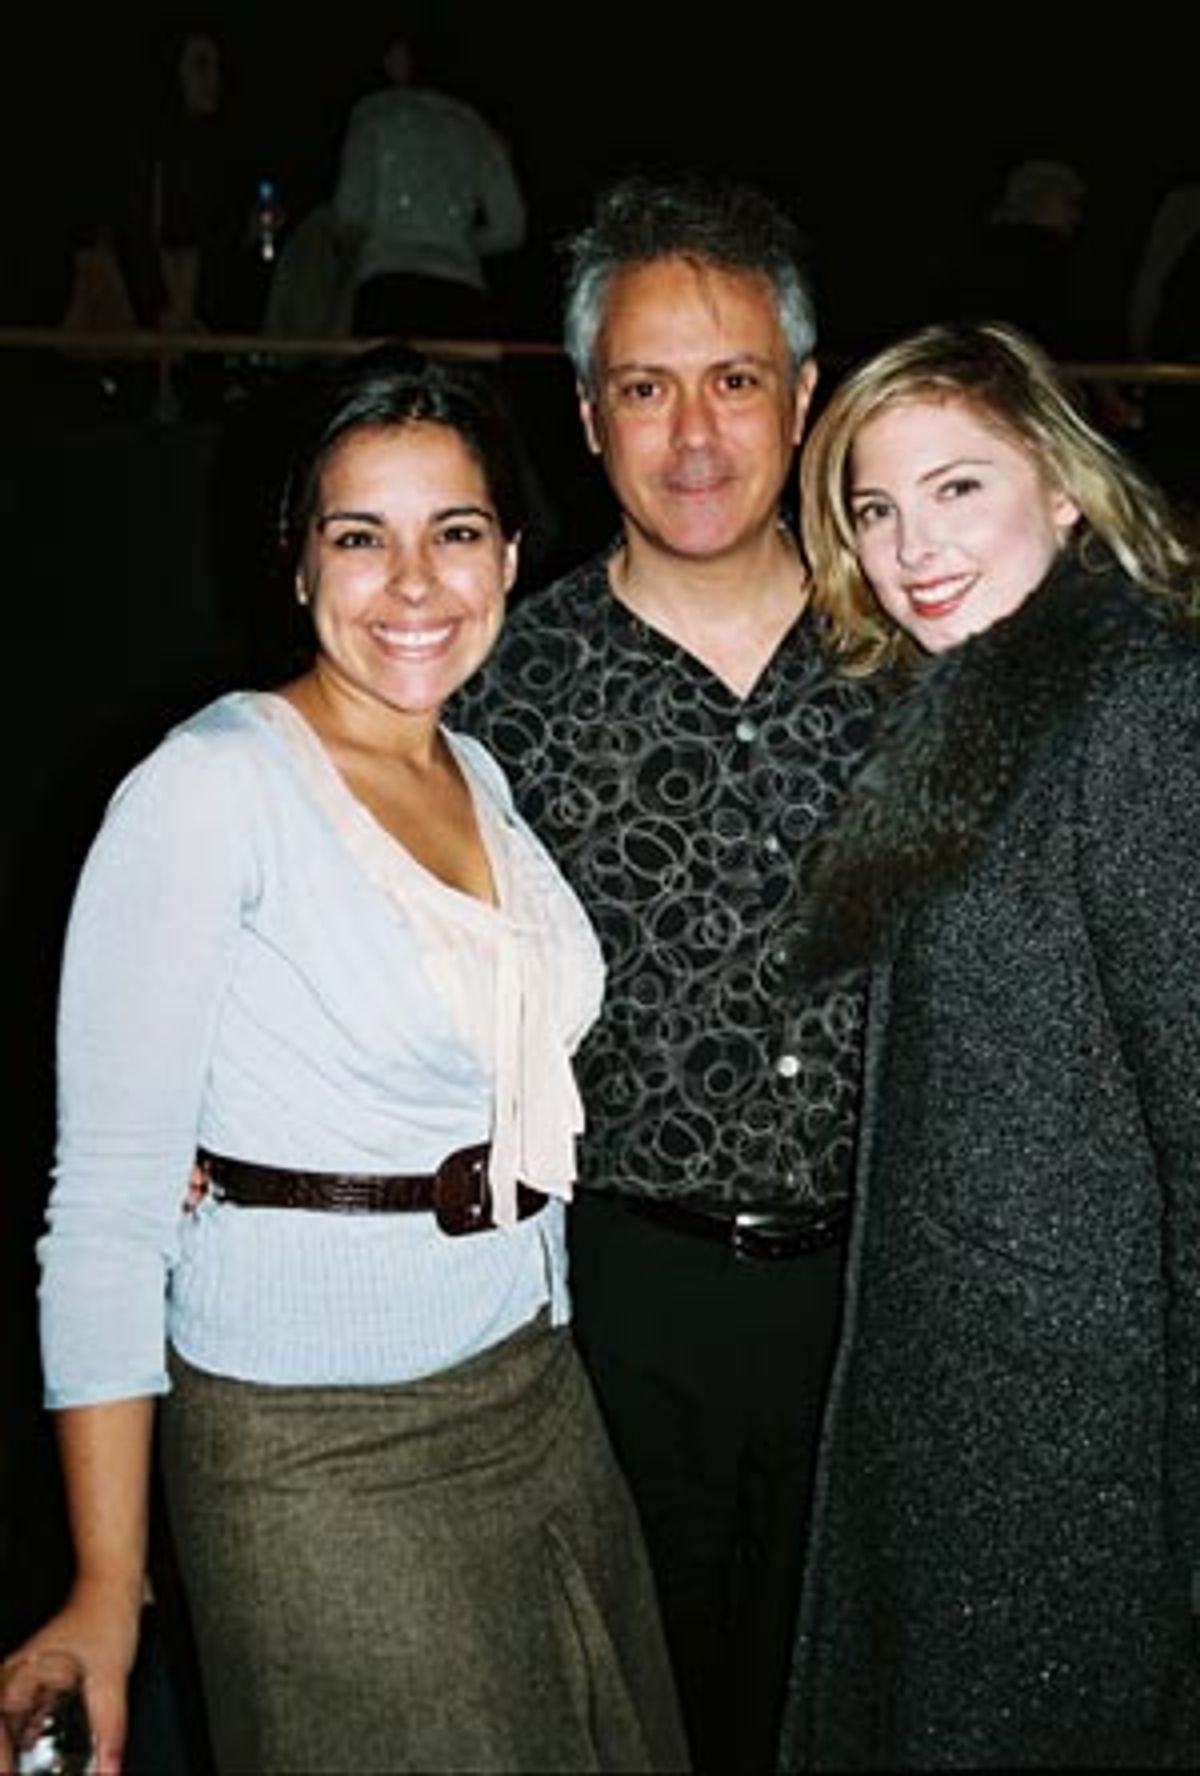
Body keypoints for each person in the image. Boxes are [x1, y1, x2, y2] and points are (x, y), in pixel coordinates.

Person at [1, 347, 688, 1776]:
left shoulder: (475, 774)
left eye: (454, 531)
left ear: (507, 553)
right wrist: (103, 1586)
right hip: (313, 1448)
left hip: (536, 1397)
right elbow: (109, 1213)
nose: (414, 581)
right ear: (299, 565)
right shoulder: (213, 787)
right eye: (360, 536)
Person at [450, 173, 878, 1776]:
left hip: (886, 1313)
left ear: (806, 397)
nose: (694, 436)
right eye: (645, 387)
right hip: (614, 1316)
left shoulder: (924, 657)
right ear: (583, 413)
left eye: (735, 380)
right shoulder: (502, 687)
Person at [778, 318, 1200, 1770]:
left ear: (1067, 488)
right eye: (875, 508)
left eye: (958, 487)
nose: (911, 546)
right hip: (959, 1426)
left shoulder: (1141, 719)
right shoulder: (973, 713)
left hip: (1080, 1469)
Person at [331, 29, 527, 343]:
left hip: (387, 284)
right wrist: (456, 241)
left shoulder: (375, 115)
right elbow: (510, 228)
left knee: (386, 389)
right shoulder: (474, 126)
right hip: (460, 290)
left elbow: (351, 214)